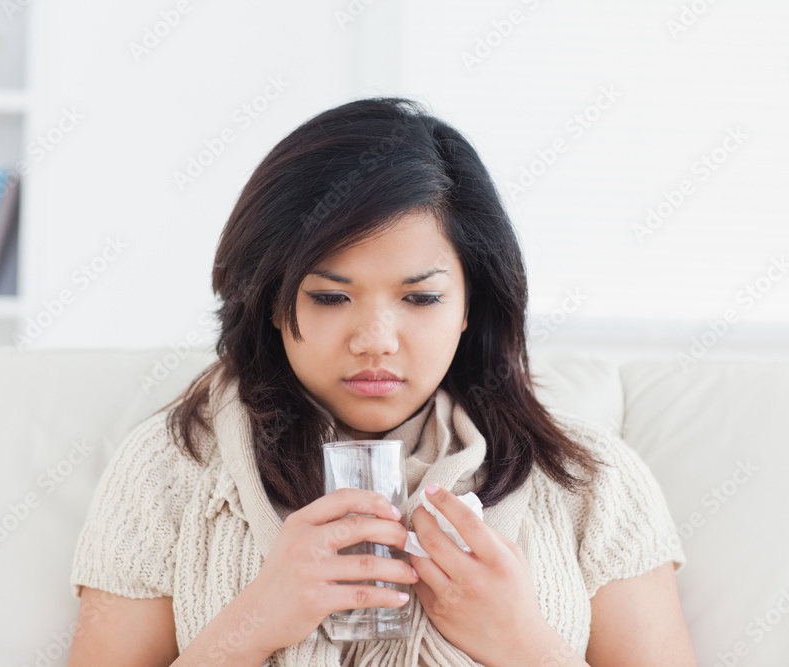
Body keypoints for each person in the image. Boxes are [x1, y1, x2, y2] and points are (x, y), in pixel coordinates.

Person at [66, 97, 696, 666]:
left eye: (420, 298)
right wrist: (254, 622)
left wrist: (524, 645)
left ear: (472, 303)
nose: (375, 339)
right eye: (330, 296)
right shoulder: (170, 471)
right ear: (267, 300)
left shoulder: (594, 484)